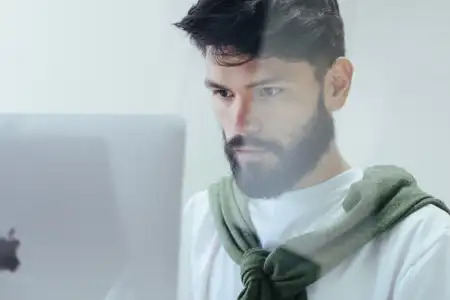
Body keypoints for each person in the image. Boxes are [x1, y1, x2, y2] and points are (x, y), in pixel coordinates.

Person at [174, 0, 450, 300]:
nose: (240, 125)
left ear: (337, 85)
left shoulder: (423, 244)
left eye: (269, 92)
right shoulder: (199, 223)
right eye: (223, 93)